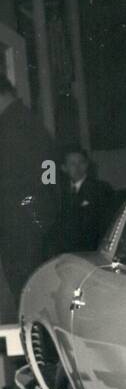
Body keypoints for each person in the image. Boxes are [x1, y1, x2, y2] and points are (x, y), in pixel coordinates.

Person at [0, 75, 58, 323]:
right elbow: (49, 169)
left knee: (22, 291)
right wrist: (43, 202)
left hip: (18, 220)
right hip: (32, 216)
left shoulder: (10, 126)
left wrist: (27, 203)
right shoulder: (30, 122)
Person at [59, 147, 115, 252]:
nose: (78, 168)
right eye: (72, 164)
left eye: (81, 163)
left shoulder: (100, 188)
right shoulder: (61, 193)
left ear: (87, 165)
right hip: (69, 251)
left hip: (93, 249)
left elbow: (106, 223)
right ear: (64, 168)